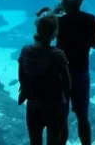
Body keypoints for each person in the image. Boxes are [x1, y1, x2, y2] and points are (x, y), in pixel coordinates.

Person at [54, 0, 95, 145]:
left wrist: (55, 15)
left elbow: (57, 45)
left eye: (62, 0)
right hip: (82, 72)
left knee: (62, 116)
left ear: (66, 3)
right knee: (83, 117)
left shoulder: (61, 21)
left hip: (63, 73)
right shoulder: (91, 19)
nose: (61, 2)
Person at [19, 8, 71, 145]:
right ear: (55, 33)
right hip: (55, 105)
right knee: (53, 140)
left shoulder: (25, 50)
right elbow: (67, 81)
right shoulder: (57, 54)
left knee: (35, 141)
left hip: (33, 105)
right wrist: (64, 98)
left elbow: (22, 75)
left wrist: (24, 91)